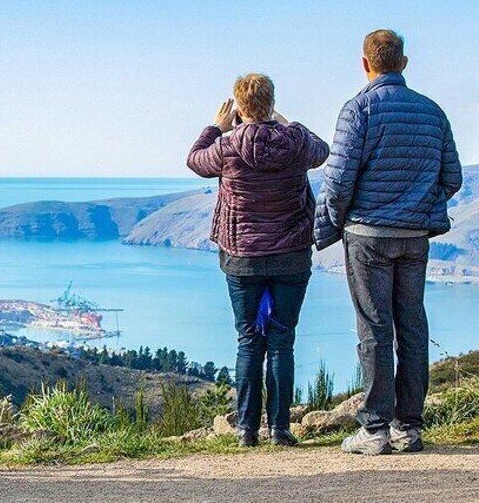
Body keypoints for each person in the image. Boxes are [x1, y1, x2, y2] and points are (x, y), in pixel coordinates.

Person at [314, 30, 462, 455]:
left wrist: (332, 224)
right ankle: (409, 427)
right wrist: (418, 206)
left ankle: (375, 430)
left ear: (365, 64)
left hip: (368, 236)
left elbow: (338, 181)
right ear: (405, 62)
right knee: (412, 326)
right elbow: (451, 177)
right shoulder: (433, 112)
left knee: (374, 327)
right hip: (414, 237)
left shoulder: (358, 109)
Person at [187, 74, 329, 447]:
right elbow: (323, 149)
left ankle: (246, 431)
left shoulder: (227, 145)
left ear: (238, 106)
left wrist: (214, 128)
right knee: (282, 341)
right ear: (271, 102)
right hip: (291, 257)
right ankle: (280, 429)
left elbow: (194, 160)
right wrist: (282, 121)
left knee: (249, 340)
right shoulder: (296, 141)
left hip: (242, 258)